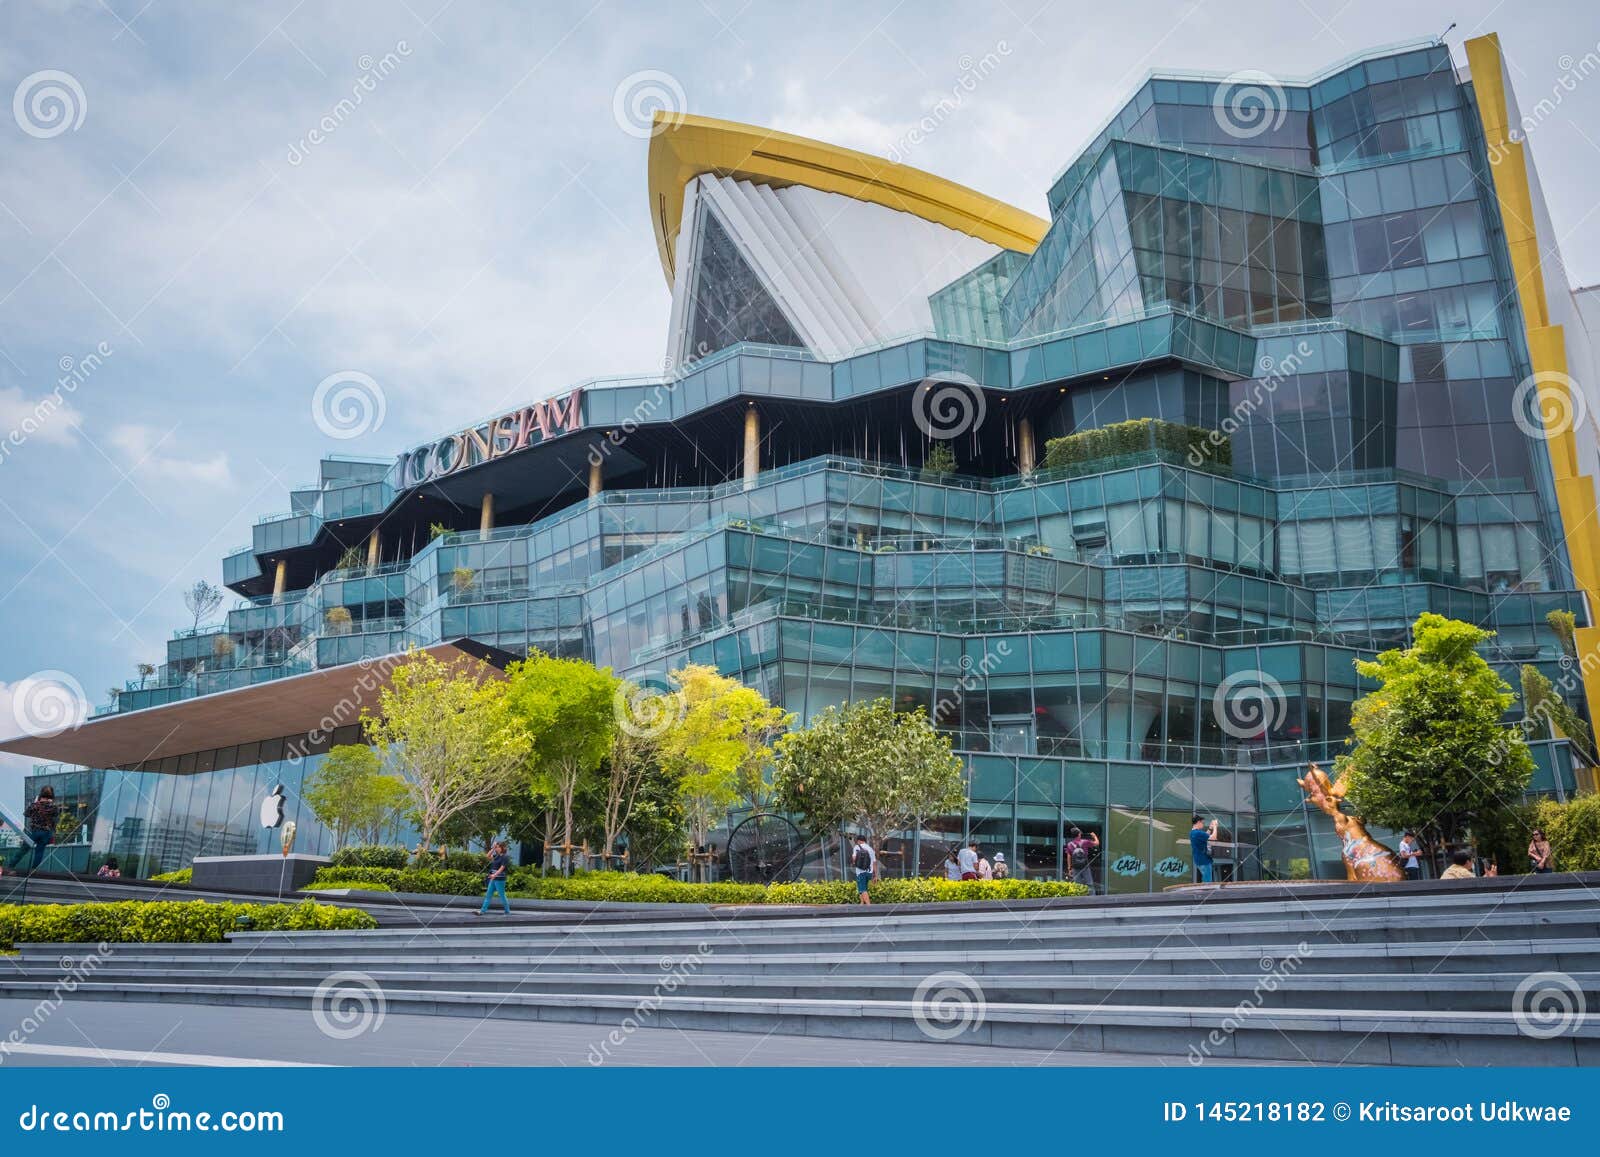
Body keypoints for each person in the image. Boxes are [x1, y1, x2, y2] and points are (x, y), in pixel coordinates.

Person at [24, 786, 60, 872]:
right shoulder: (54, 807)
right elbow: (55, 817)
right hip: (45, 832)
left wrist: (36, 802)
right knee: (39, 852)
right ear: (52, 796)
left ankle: (11, 866)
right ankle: (33, 870)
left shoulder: (35, 805)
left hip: (34, 831)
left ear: (41, 794)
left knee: (24, 849)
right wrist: (50, 803)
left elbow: (26, 814)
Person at [478, 840, 511, 915]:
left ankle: (507, 911)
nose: (497, 848)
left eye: (498, 847)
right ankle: (482, 911)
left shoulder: (505, 857)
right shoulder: (496, 856)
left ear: (502, 848)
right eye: (496, 847)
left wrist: (494, 875)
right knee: (488, 895)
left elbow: (502, 868)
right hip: (493, 878)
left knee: (502, 896)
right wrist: (492, 848)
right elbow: (487, 856)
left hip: (500, 879)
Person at [1065, 826, 1099, 891]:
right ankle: (1092, 899)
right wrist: (1094, 836)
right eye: (1080, 833)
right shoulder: (1085, 842)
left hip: (1075, 867)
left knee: (1077, 885)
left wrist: (1069, 868)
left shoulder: (1069, 844)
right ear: (1079, 834)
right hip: (1085, 866)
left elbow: (1069, 857)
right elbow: (1097, 843)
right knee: (1089, 884)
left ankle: (1079, 899)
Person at [1189, 815, 1218, 883]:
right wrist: (1215, 826)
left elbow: (1205, 836)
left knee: (1205, 879)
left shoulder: (1193, 832)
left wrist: (1210, 828)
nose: (1203, 824)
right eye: (1203, 823)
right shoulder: (1198, 833)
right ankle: (1205, 893)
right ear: (1198, 822)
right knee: (1207, 882)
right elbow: (1214, 837)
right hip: (1204, 860)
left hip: (1199, 859)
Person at [851, 835, 876, 905]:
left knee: (863, 889)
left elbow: (854, 859)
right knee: (862, 888)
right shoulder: (870, 849)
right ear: (865, 840)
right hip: (869, 872)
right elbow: (874, 862)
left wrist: (854, 862)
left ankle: (869, 906)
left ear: (859, 841)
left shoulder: (856, 847)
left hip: (860, 872)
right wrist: (875, 875)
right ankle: (862, 903)